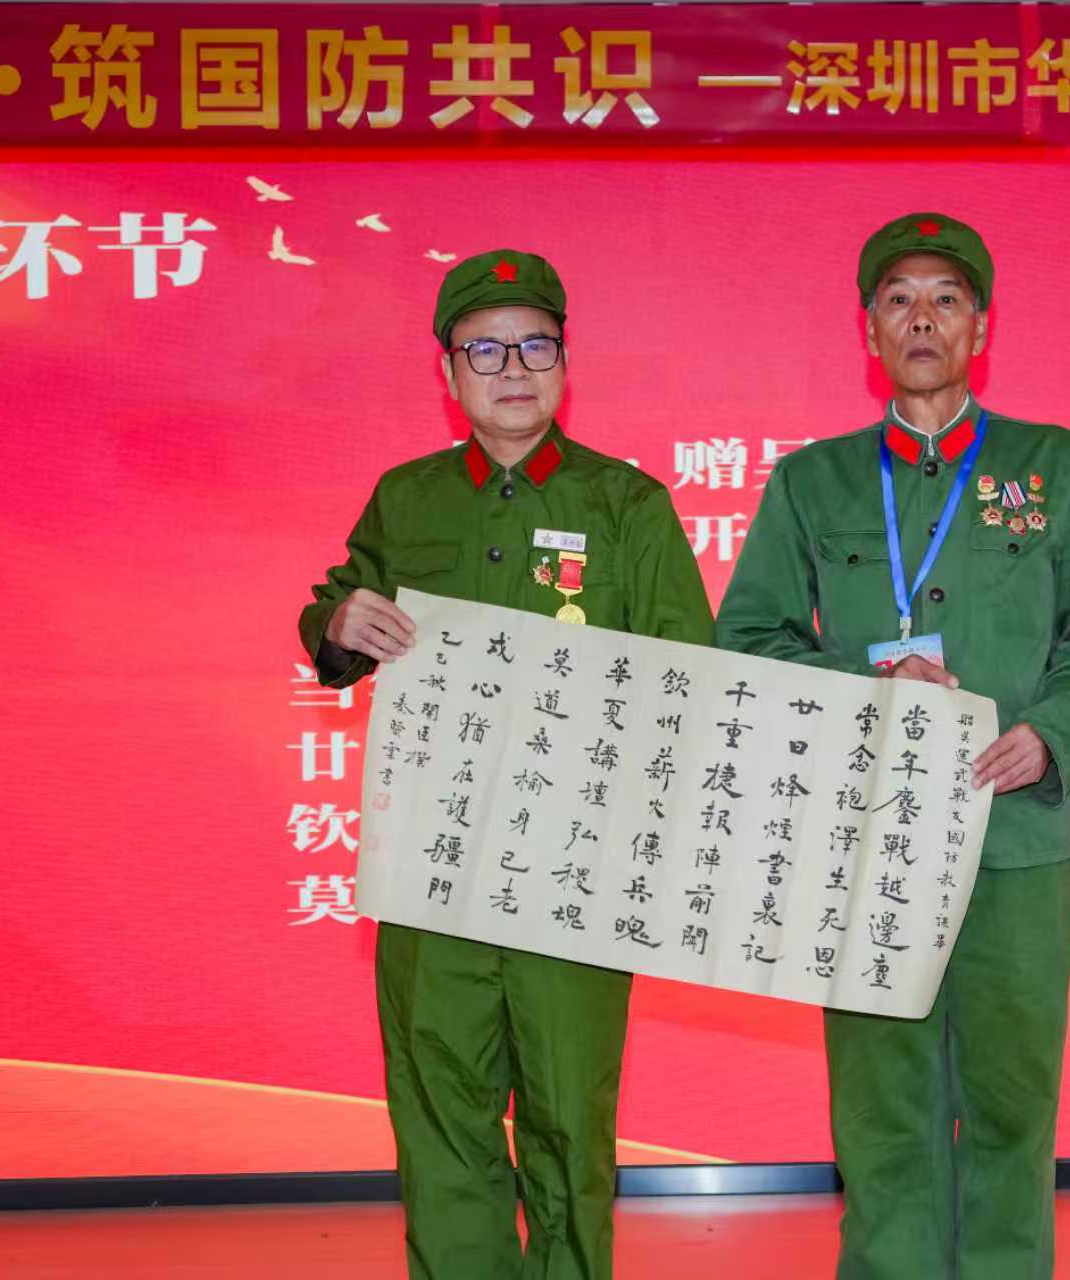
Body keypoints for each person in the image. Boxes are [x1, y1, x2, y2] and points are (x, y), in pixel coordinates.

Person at [713, 212, 1070, 1279]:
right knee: (883, 1107)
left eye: (946, 298)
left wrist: (1050, 734)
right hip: (864, 842)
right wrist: (869, 692)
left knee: (1012, 1106)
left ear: (980, 327)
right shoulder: (813, 483)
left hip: (1013, 833)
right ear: (870, 331)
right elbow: (749, 637)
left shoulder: (1056, 467)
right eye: (899, 299)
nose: (923, 318)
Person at [296, 249, 713, 1280]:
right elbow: (336, 605)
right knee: (442, 1119)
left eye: (535, 344)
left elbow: (690, 678)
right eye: (485, 349)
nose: (513, 368)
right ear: (449, 373)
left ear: (566, 361)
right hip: (432, 873)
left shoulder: (626, 504)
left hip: (573, 874)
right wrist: (339, 622)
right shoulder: (407, 499)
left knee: (571, 1124)